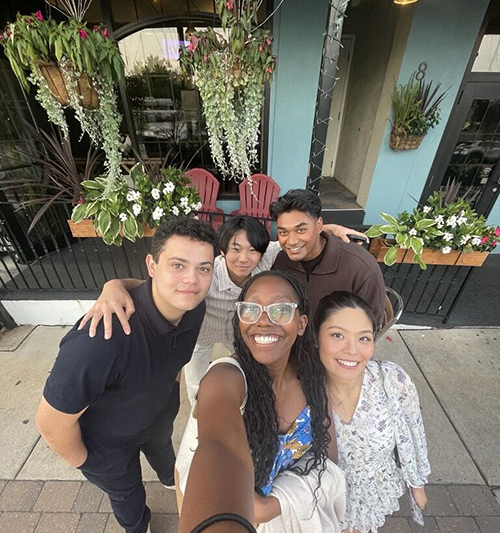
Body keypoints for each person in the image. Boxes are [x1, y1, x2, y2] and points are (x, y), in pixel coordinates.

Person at [35, 217, 218, 533]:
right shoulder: (98, 341)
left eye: (204, 268)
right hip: (109, 445)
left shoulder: (194, 308)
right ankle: (138, 527)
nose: (191, 280)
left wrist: (114, 283)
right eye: (178, 265)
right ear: (152, 265)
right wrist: (90, 463)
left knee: (163, 452)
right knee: (127, 494)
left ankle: (168, 478)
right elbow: (51, 424)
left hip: (158, 414)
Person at [78, 215, 366, 406]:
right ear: (223, 251)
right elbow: (158, 285)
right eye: (235, 249)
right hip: (202, 331)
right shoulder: (207, 273)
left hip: (238, 330)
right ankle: (198, 408)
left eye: (252, 250)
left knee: (248, 367)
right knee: (195, 373)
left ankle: (248, 403)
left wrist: (329, 229)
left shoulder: (266, 258)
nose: (244, 258)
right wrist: (113, 285)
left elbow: (294, 239)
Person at [177, 270, 346, 533]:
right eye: (251, 309)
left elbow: (328, 457)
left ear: (301, 324)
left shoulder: (313, 375)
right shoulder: (225, 378)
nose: (263, 322)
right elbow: (219, 446)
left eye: (280, 310)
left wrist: (272, 505)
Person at [314, 291, 430, 533]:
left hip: (370, 493)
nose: (352, 350)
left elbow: (414, 429)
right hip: (320, 499)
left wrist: (417, 482)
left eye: (364, 338)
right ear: (316, 337)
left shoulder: (391, 380)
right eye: (337, 335)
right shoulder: (301, 390)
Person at [270, 189, 386, 328]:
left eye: (301, 230)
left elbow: (370, 327)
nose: (292, 241)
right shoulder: (282, 260)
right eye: (283, 232)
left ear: (319, 225)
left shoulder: (360, 268)